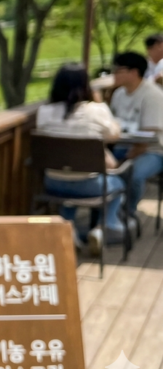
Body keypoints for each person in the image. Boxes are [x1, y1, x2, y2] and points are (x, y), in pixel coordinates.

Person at [36, 64, 124, 253]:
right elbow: (114, 135)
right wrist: (101, 105)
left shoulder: (44, 112)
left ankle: (69, 228)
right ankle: (102, 228)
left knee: (69, 192)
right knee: (119, 182)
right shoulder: (96, 110)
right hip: (89, 185)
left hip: (52, 183)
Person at [110, 52, 163, 222]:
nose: (114, 74)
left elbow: (147, 139)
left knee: (134, 174)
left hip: (153, 150)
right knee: (98, 169)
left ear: (134, 72)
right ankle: (107, 215)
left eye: (118, 70)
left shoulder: (153, 95)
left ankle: (127, 214)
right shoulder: (118, 94)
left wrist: (123, 161)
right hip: (122, 146)